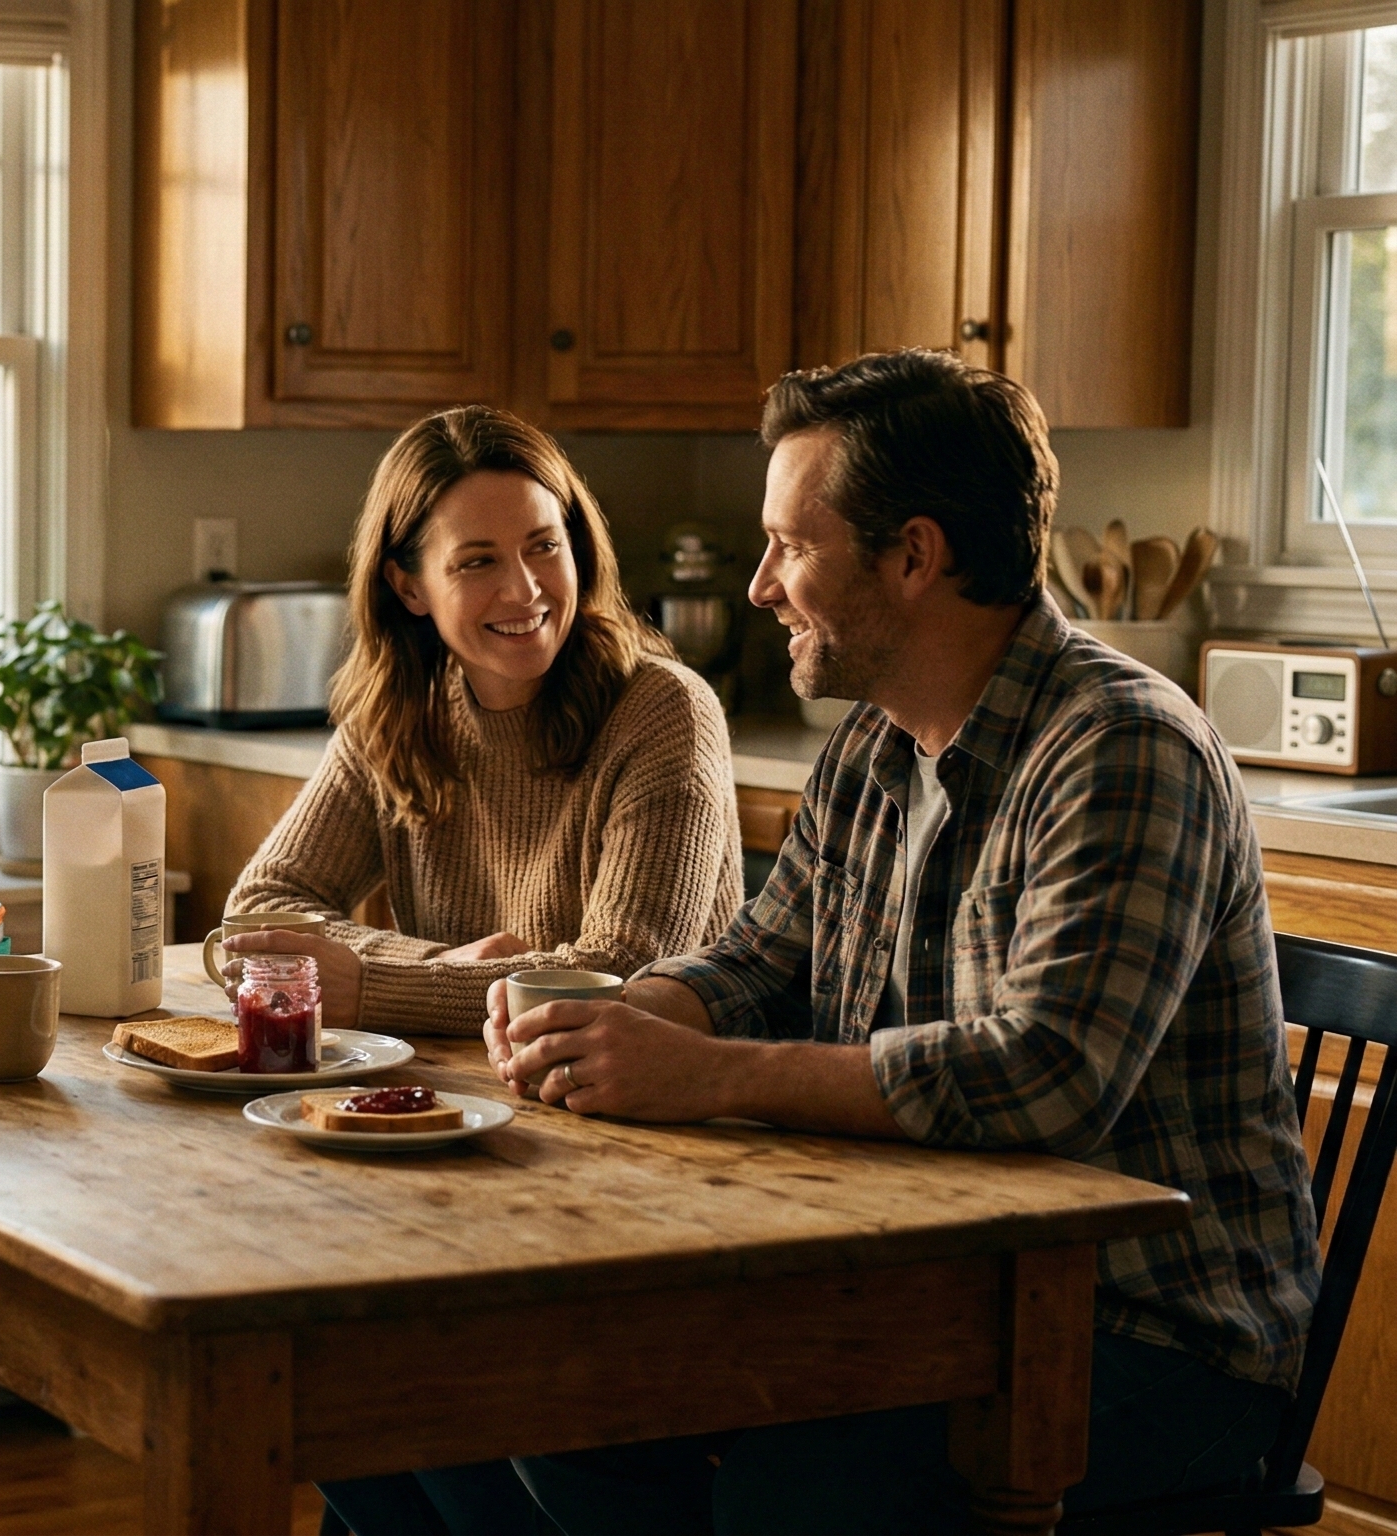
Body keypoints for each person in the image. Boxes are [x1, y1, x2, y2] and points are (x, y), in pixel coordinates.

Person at [487, 350, 1319, 1533]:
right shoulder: (874, 747)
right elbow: (760, 964)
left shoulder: (1122, 748)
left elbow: (1049, 1077)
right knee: (523, 1403)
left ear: (913, 556)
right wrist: (620, 1019)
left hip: (1151, 1333)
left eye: (791, 544)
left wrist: (708, 1074)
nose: (763, 584)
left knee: (795, 1491)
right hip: (924, 1286)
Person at [224, 404, 742, 1039]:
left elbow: (624, 975)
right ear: (410, 588)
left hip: (658, 1115)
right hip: (469, 1082)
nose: (524, 590)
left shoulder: (665, 711)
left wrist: (374, 986)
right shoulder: (395, 717)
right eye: (478, 562)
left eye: (543, 547)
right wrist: (438, 963)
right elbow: (260, 911)